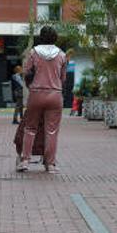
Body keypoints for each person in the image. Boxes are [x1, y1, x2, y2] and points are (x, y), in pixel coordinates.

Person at [19, 26, 69, 173]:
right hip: (55, 95)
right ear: (55, 38)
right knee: (51, 131)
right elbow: (63, 78)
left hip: (36, 93)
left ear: (41, 37)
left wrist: (30, 86)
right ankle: (50, 164)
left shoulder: (33, 52)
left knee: (30, 128)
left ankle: (25, 161)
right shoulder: (62, 55)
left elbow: (27, 72)